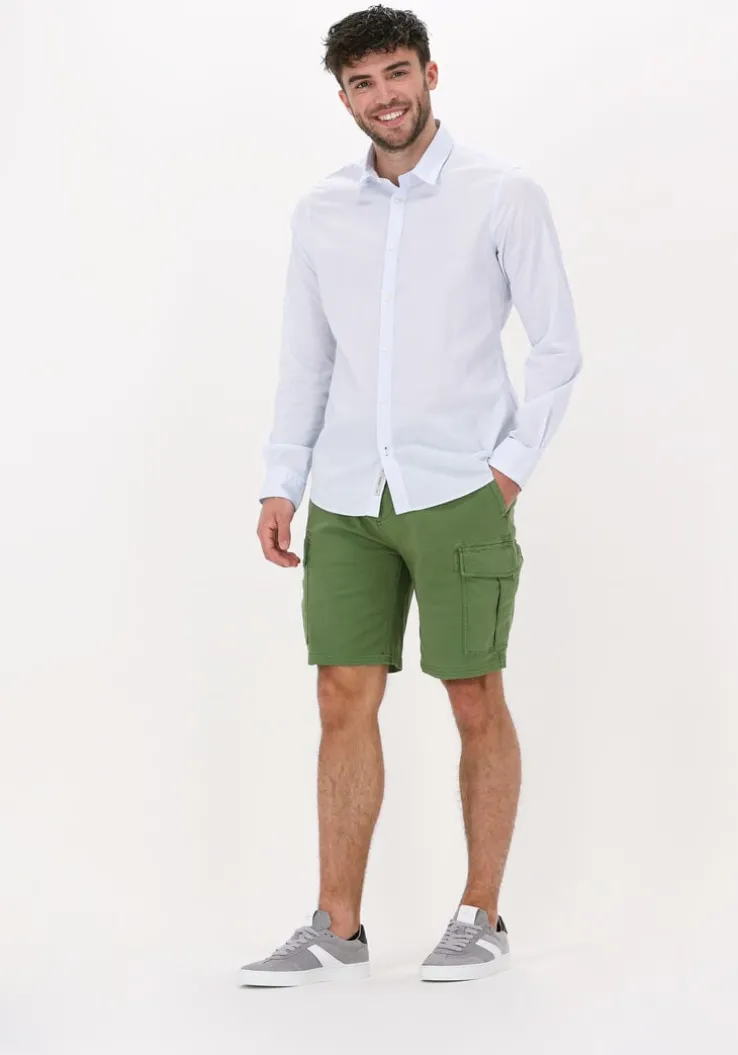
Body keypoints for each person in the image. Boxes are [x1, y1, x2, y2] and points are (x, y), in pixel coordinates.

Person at [242, 4, 582, 987]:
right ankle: (337, 927)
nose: (383, 96)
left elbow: (558, 346)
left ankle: (483, 912)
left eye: (397, 73)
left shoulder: (502, 193)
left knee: (473, 694)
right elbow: (306, 358)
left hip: (460, 485)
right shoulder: (320, 213)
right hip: (349, 493)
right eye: (362, 82)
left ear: (430, 73)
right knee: (339, 693)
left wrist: (508, 468)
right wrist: (281, 478)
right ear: (342, 96)